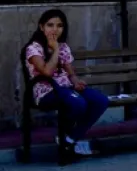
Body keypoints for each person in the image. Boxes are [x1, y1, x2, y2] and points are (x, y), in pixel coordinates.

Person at [21, 9, 110, 156]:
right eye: (50, 25)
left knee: (100, 100)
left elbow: (70, 72)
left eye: (59, 25)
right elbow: (47, 72)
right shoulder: (33, 48)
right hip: (47, 92)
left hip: (67, 88)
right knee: (79, 104)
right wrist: (55, 49)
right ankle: (65, 136)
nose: (55, 29)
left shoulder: (64, 47)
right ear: (41, 27)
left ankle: (69, 140)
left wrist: (75, 81)